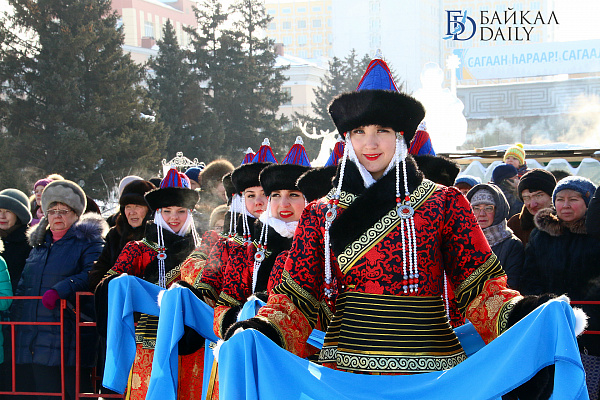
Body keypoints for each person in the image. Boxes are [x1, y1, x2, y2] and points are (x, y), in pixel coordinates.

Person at [95, 168, 202, 400]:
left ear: (190, 212)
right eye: (167, 211)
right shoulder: (138, 249)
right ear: (157, 213)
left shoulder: (203, 250)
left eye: (181, 211)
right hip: (150, 340)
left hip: (193, 343)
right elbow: (108, 289)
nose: (174, 217)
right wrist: (130, 288)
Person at [12, 180, 107, 400]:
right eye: (52, 211)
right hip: (36, 335)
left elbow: (93, 274)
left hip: (70, 333)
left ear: (76, 215)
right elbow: (25, 283)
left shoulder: (89, 242)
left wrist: (61, 290)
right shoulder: (39, 245)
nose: (57, 216)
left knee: (75, 392)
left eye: (64, 211)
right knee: (45, 393)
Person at [520, 176, 599, 399]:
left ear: (588, 203)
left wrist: (587, 313)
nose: (565, 205)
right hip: (551, 321)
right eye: (560, 199)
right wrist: (545, 306)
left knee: (587, 384)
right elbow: (530, 278)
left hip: (593, 327)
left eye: (573, 199)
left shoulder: (596, 236)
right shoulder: (541, 235)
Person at [88, 180, 156, 291]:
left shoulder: (158, 236)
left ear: (149, 209)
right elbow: (99, 270)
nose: (132, 212)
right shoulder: (115, 234)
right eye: (128, 206)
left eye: (137, 206)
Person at [466, 184, 524, 290]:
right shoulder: (461, 242)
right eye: (476, 208)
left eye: (488, 208)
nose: (481, 214)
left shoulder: (512, 245)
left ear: (498, 211)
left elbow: (511, 284)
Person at [507, 169, 556, 246]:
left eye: (538, 196)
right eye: (526, 198)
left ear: (552, 196)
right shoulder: (515, 224)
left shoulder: (566, 222)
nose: (533, 204)